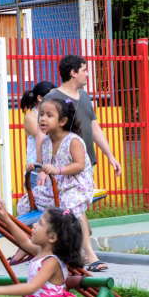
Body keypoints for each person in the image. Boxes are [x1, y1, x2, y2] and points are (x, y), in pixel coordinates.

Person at [43, 55, 121, 272]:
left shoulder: (85, 97)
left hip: (83, 165)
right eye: (85, 70)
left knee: (77, 208)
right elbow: (43, 132)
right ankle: (88, 255)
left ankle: (75, 253)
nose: (88, 74)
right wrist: (42, 166)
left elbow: (95, 128)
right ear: (73, 72)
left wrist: (110, 156)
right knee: (75, 208)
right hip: (62, 168)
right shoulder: (53, 97)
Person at [14, 98, 94, 264]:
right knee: (24, 204)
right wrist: (32, 166)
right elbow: (42, 164)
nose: (43, 118)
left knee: (66, 209)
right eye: (41, 114)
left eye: (49, 115)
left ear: (63, 121)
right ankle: (34, 246)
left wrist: (58, 170)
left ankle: (78, 252)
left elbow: (79, 165)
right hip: (55, 188)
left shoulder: (73, 140)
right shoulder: (46, 142)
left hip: (76, 187)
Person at [20, 81, 56, 190]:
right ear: (40, 98)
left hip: (50, 167)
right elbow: (46, 135)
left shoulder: (52, 116)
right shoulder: (30, 117)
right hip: (36, 170)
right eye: (51, 96)